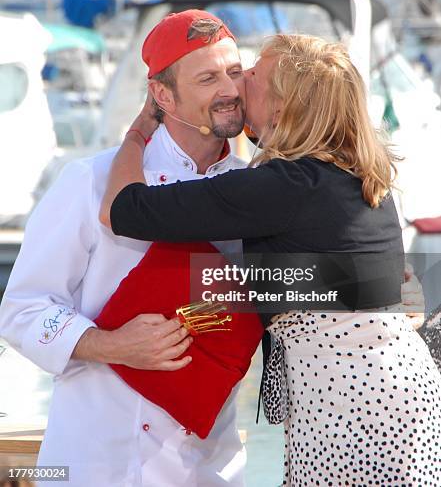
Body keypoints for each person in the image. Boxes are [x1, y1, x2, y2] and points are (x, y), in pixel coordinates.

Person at [100, 34, 441, 486]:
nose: (238, 84)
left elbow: (122, 209)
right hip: (381, 394)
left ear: (282, 107)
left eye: (251, 75)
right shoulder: (349, 173)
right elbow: (318, 286)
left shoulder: (284, 185)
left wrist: (139, 132)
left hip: (354, 406)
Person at [0, 10, 251, 487]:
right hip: (96, 466)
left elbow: (296, 290)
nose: (230, 89)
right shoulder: (89, 182)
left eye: (235, 72)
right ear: (162, 94)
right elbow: (21, 310)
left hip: (207, 471)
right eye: (208, 77)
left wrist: (376, 287)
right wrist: (112, 345)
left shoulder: (258, 190)